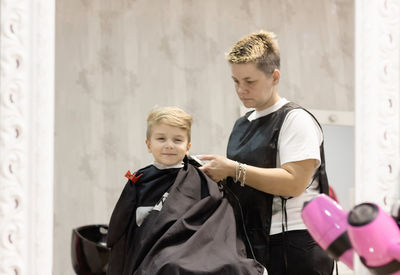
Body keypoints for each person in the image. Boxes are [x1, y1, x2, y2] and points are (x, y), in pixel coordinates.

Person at [198, 30, 334, 275]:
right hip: (254, 242)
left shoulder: (295, 120)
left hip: (296, 243)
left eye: (250, 81)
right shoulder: (242, 124)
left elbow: (294, 183)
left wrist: (232, 169)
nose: (241, 90)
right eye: (236, 81)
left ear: (275, 76)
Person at [106, 106, 266, 275]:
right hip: (148, 253)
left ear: (188, 146)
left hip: (193, 251)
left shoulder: (201, 179)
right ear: (148, 144)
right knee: (165, 265)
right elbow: (120, 228)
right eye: (161, 138)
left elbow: (217, 223)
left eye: (177, 140)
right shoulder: (140, 180)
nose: (169, 146)